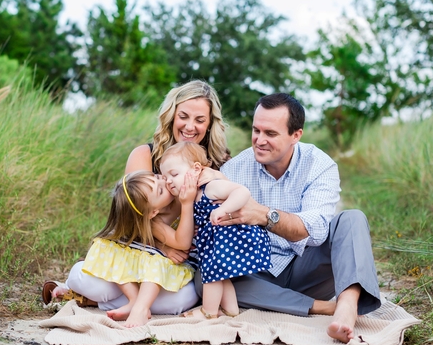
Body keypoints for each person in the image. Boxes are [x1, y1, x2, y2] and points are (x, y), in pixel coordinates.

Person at [45, 81, 230, 315]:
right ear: (171, 116)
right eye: (183, 116)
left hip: (177, 265)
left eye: (200, 120)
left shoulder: (215, 164)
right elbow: (134, 211)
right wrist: (165, 244)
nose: (190, 126)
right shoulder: (146, 155)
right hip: (139, 252)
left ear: (210, 124)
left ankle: (99, 302)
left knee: (179, 300)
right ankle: (119, 300)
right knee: (86, 278)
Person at [212, 93, 381, 343]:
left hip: (307, 269)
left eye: (270, 133)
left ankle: (346, 306)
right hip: (256, 272)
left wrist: (263, 215)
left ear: (296, 135)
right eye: (256, 130)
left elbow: (314, 231)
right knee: (204, 276)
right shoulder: (233, 170)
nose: (259, 140)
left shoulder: (320, 165)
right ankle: (322, 307)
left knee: (352, 219)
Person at [160, 142, 271, 319]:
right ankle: (231, 310)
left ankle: (209, 312)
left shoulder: (209, 187)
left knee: (211, 273)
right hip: (217, 241)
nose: (169, 181)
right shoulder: (190, 196)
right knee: (220, 274)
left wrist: (223, 209)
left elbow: (242, 191)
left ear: (196, 169)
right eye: (165, 177)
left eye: (174, 174)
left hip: (233, 238)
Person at [77, 171, 195, 327]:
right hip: (146, 261)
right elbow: (181, 242)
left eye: (158, 177)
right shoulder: (155, 219)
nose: (165, 182)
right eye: (160, 190)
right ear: (153, 212)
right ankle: (136, 303)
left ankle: (139, 306)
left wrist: (186, 202)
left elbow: (182, 245)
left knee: (156, 263)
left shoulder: (179, 195)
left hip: (170, 266)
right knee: (110, 250)